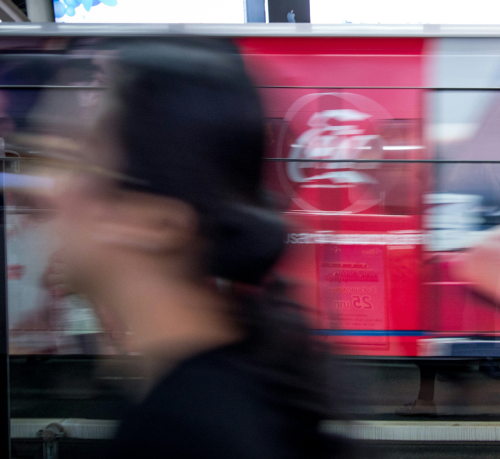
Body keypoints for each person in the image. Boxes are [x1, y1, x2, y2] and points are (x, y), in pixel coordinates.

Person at [49, 38, 345, 459]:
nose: (56, 191)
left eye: (85, 161)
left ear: (159, 223)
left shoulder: (181, 429)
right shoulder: (233, 389)